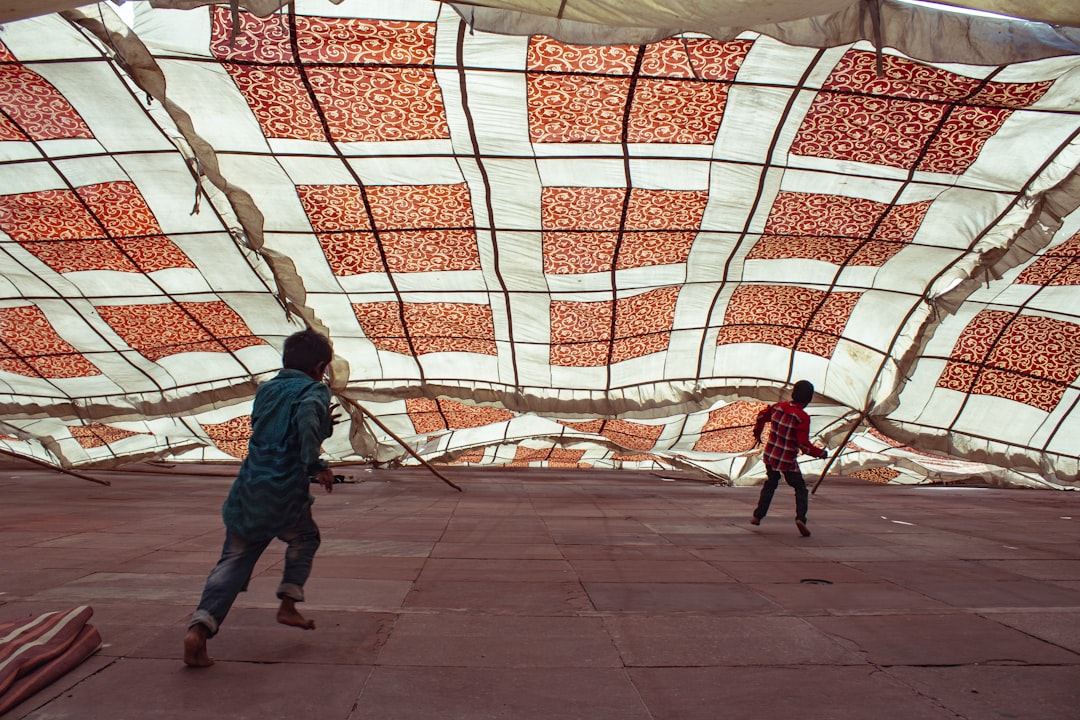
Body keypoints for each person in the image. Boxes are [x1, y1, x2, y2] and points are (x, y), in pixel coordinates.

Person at [184, 328, 337, 667]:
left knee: (233, 561)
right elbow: (307, 423)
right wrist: (317, 464)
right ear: (319, 367)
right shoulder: (315, 390)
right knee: (305, 538)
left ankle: (200, 628)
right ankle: (288, 604)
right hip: (284, 491)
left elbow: (266, 425)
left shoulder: (267, 389)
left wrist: (323, 426)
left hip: (249, 488)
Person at [750, 380, 828, 537]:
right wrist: (820, 453)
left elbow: (761, 417)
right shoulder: (802, 417)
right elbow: (803, 445)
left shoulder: (779, 407)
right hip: (787, 459)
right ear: (809, 399)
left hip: (771, 455)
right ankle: (800, 518)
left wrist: (757, 433)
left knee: (771, 483)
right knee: (800, 488)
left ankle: (758, 515)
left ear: (793, 393)